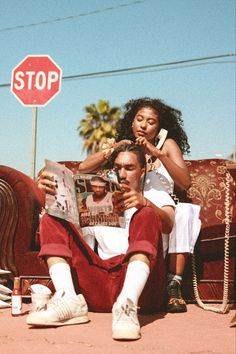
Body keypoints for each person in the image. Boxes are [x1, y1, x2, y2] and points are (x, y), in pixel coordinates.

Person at [27, 144, 175, 341]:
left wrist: (144, 202)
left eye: (129, 168)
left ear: (142, 171)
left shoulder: (155, 194)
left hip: (142, 291)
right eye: (117, 168)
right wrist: (50, 195)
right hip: (100, 283)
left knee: (146, 214)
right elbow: (68, 234)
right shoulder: (99, 196)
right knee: (51, 218)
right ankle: (67, 298)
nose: (122, 174)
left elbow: (169, 224)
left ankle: (127, 304)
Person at [78, 97, 201, 313]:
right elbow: (83, 168)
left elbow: (185, 182)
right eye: (139, 119)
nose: (143, 125)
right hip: (127, 206)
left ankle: (174, 283)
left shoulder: (167, 145)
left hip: (160, 206)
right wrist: (114, 150)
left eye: (151, 122)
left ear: (160, 127)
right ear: (132, 122)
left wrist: (157, 153)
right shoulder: (126, 150)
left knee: (183, 211)